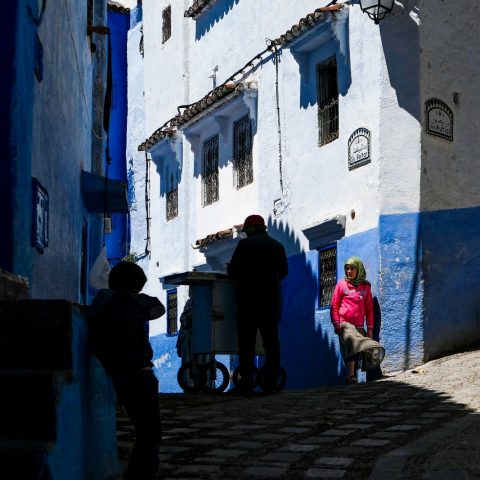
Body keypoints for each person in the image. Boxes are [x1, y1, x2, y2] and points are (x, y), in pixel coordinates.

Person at [89, 261, 165, 480]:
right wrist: (134, 297)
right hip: (138, 373)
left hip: (119, 374)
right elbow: (157, 308)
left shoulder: (100, 305)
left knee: (145, 430)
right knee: (150, 431)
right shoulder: (126, 302)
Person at [227, 214, 288, 394]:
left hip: (248, 301)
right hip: (270, 301)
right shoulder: (278, 246)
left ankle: (246, 383)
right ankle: (270, 383)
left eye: (246, 231)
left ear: (251, 229)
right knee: (271, 343)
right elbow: (284, 271)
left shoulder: (244, 245)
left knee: (247, 343)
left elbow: (234, 271)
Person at [330, 256, 374, 384]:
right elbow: (334, 305)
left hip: (359, 326)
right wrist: (336, 323)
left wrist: (370, 328)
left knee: (367, 349)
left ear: (358, 269)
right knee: (353, 343)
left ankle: (372, 374)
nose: (349, 271)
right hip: (345, 324)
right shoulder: (341, 285)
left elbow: (370, 309)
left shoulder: (365, 287)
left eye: (352, 268)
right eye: (347, 268)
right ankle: (350, 375)